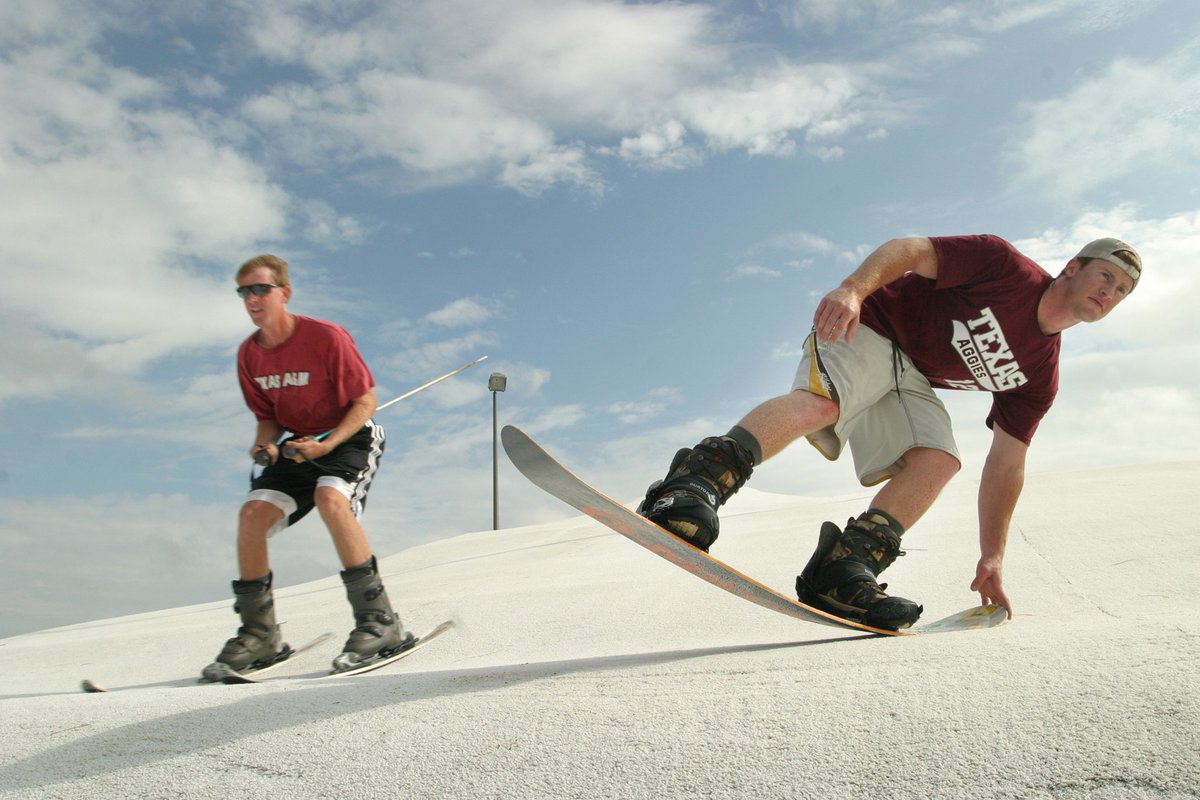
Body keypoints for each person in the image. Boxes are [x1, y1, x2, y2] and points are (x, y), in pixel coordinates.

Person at [638, 235, 1141, 630]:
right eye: (1105, 276)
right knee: (824, 404)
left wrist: (993, 554)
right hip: (870, 325)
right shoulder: (1003, 266)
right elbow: (910, 250)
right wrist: (854, 289)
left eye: (1120, 291)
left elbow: (1008, 463)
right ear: (1072, 268)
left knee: (938, 460)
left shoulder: (1039, 374)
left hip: (911, 375)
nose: (1109, 292)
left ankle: (841, 570)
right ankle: (692, 484)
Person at [202, 254, 412, 679]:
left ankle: (380, 622)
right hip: (298, 446)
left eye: (261, 288)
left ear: (284, 292)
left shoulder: (325, 337)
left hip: (348, 437)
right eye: (245, 291)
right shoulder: (249, 354)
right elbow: (268, 416)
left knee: (330, 498)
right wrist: (265, 445)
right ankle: (261, 634)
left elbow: (365, 400)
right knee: (251, 516)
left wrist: (328, 444)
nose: (252, 298)